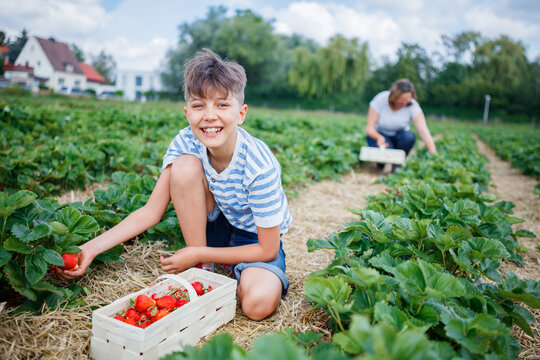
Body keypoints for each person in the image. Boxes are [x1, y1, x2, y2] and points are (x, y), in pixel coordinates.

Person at [54, 49, 292, 321]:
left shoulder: (259, 166)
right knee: (185, 165)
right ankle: (204, 272)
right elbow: (150, 211)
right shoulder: (185, 142)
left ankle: (214, 263)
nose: (210, 116)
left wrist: (194, 252)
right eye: (199, 105)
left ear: (241, 113)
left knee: (257, 305)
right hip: (212, 228)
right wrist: (90, 248)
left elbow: (268, 249)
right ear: (187, 111)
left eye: (222, 105)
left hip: (254, 238)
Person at [365, 79, 436, 170]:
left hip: (400, 136)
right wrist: (379, 137)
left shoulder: (413, 105)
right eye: (401, 99)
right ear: (394, 96)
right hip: (380, 135)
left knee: (409, 136)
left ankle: (396, 166)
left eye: (408, 99)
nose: (404, 102)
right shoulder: (381, 99)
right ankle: (380, 165)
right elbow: (369, 128)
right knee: (385, 153)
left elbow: (423, 130)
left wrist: (433, 152)